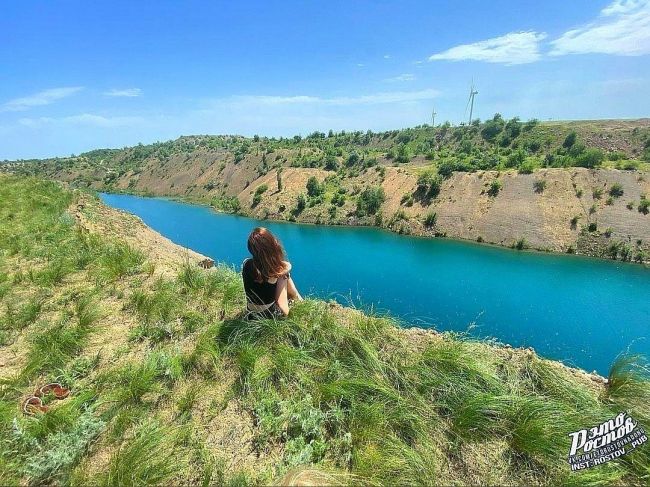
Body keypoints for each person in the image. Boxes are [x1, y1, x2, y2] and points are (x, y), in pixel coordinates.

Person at [242, 227, 302, 319]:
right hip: (269, 316)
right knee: (284, 276)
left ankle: (297, 299)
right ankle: (299, 300)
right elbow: (287, 265)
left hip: (251, 315)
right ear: (271, 246)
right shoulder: (273, 273)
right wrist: (285, 271)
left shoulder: (246, 263)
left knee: (282, 273)